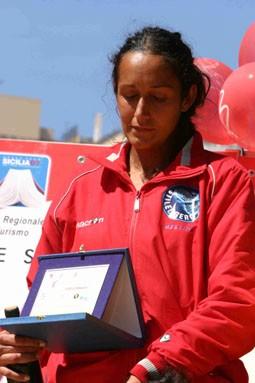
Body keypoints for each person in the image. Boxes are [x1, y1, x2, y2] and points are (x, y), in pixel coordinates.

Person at [0, 25, 255, 383]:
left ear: (187, 97)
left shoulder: (224, 182)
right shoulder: (80, 190)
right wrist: (22, 345)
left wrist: (157, 367)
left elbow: (239, 301)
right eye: (129, 95)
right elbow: (46, 309)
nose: (140, 112)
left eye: (158, 97)